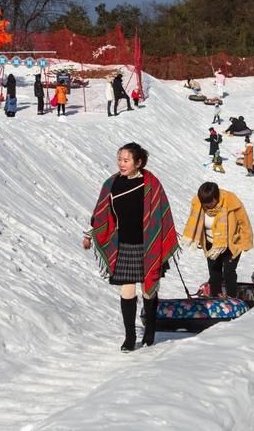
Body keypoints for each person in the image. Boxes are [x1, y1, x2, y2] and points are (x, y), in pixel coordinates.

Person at [82, 142, 180, 352]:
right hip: (125, 245)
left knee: (148, 290)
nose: (121, 164)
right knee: (126, 290)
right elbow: (101, 215)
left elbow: (163, 214)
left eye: (126, 160)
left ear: (139, 162)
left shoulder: (151, 184)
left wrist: (164, 239)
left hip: (148, 244)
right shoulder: (112, 184)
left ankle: (150, 330)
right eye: (119, 159)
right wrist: (90, 234)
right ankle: (129, 337)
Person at [181, 182, 253, 298]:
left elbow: (244, 222)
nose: (208, 206)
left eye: (210, 203)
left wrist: (246, 242)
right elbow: (196, 223)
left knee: (229, 272)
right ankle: (216, 298)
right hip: (211, 245)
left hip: (231, 243)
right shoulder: (199, 204)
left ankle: (231, 298)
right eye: (205, 204)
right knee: (214, 273)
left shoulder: (231, 201)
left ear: (216, 197)